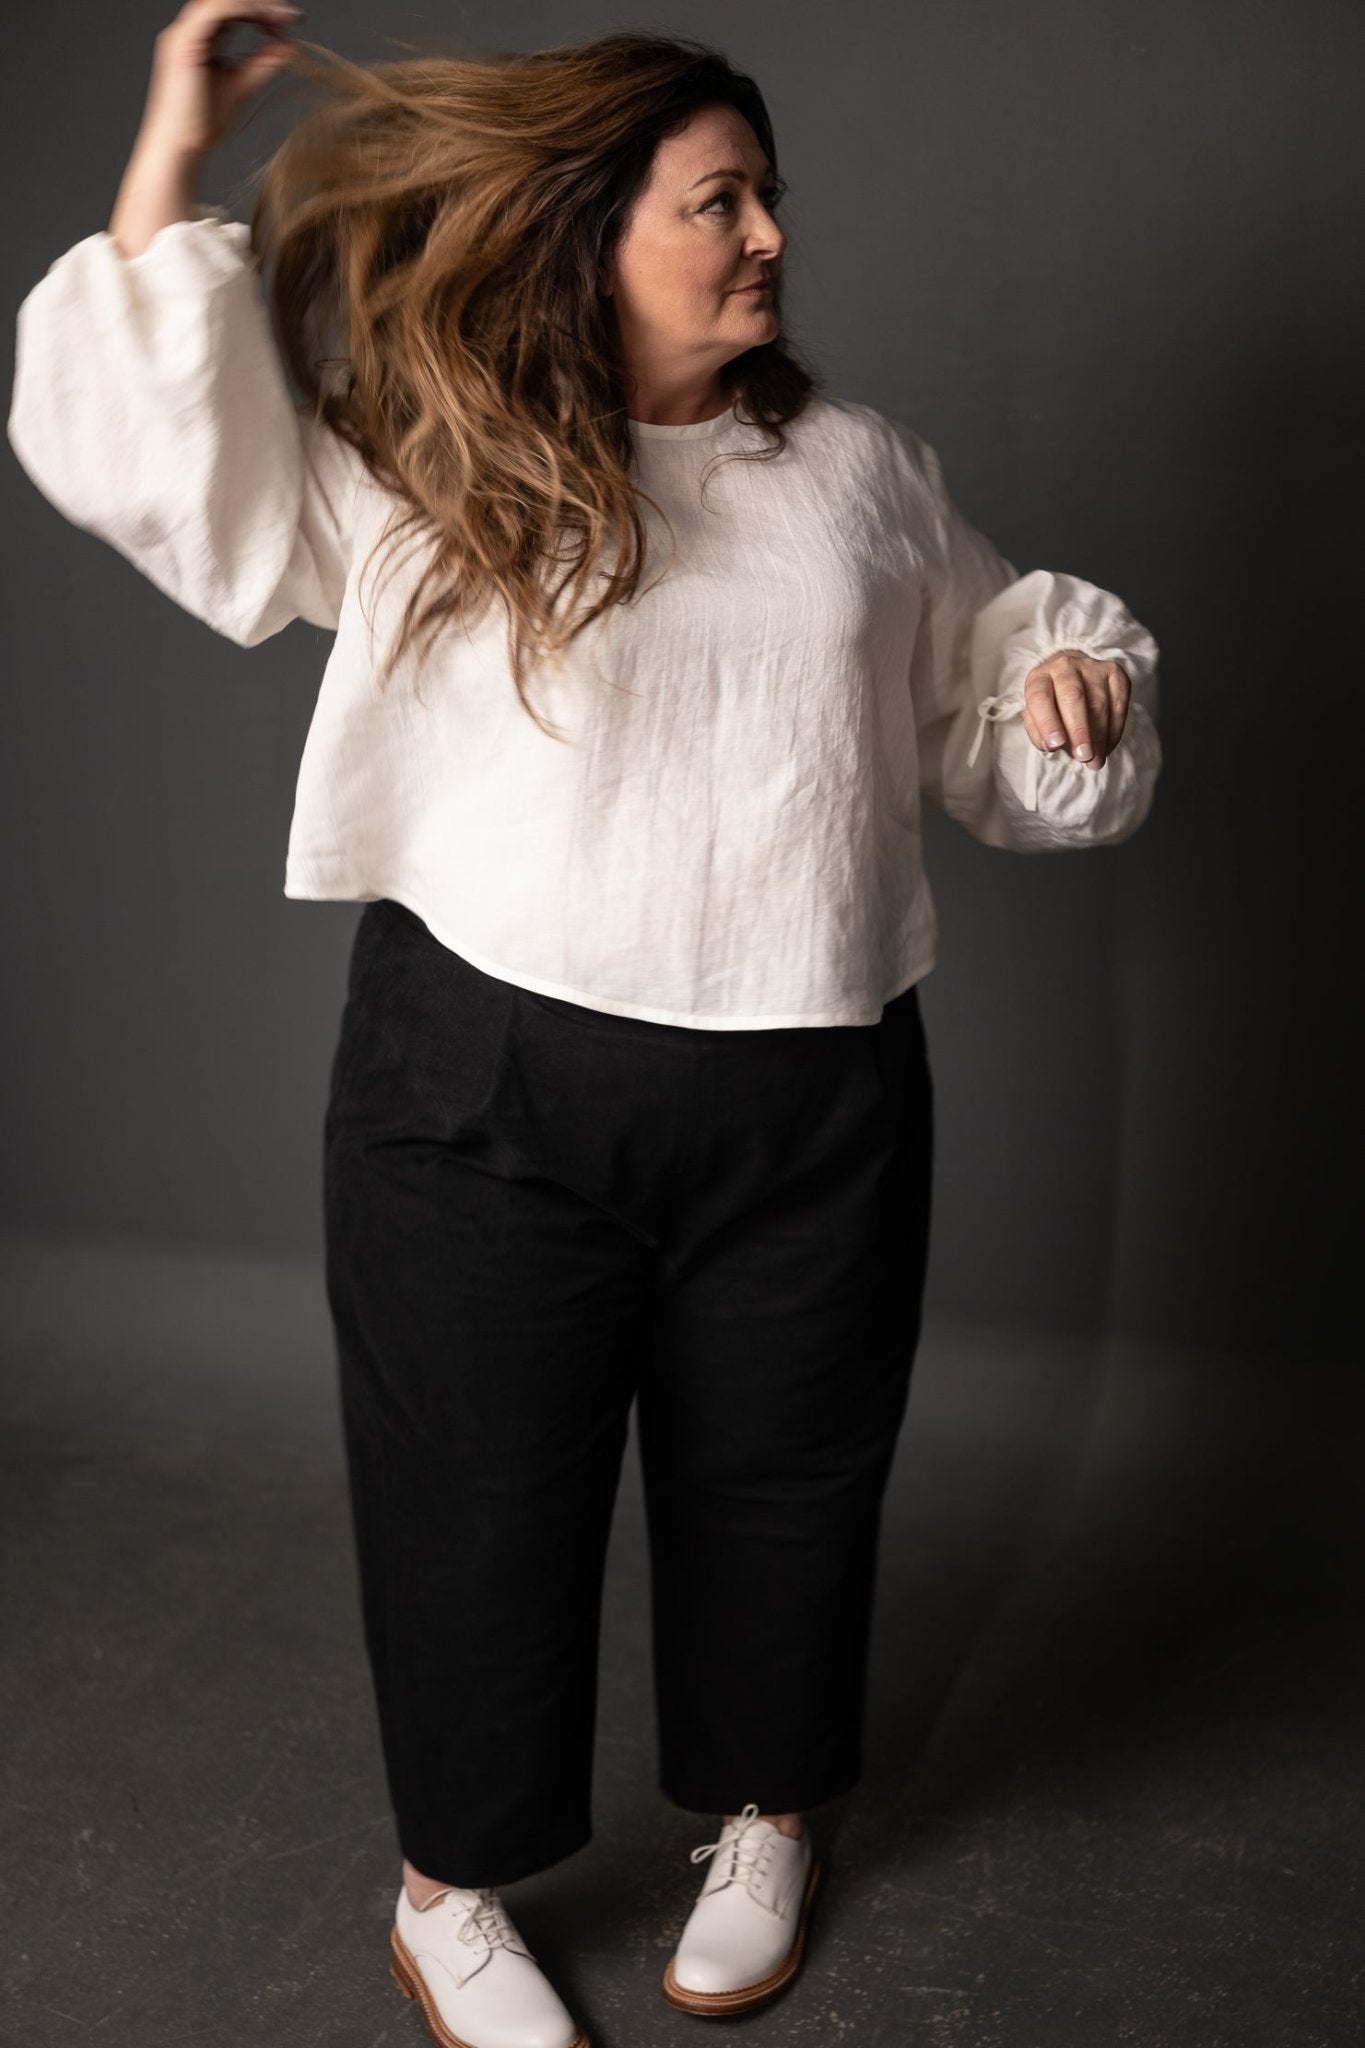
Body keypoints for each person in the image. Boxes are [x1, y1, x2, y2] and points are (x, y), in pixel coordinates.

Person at [7, 11, 1163, 2047]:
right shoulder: (430, 464)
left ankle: (765, 1817)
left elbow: (989, 672)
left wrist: (1068, 684)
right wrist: (176, 137)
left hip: (811, 1085)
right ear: (585, 230)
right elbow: (160, 457)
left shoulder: (858, 471)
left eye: (766, 195)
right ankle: (447, 1892)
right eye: (716, 201)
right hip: (484, 1088)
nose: (767, 234)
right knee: (475, 1499)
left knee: (788, 1478)